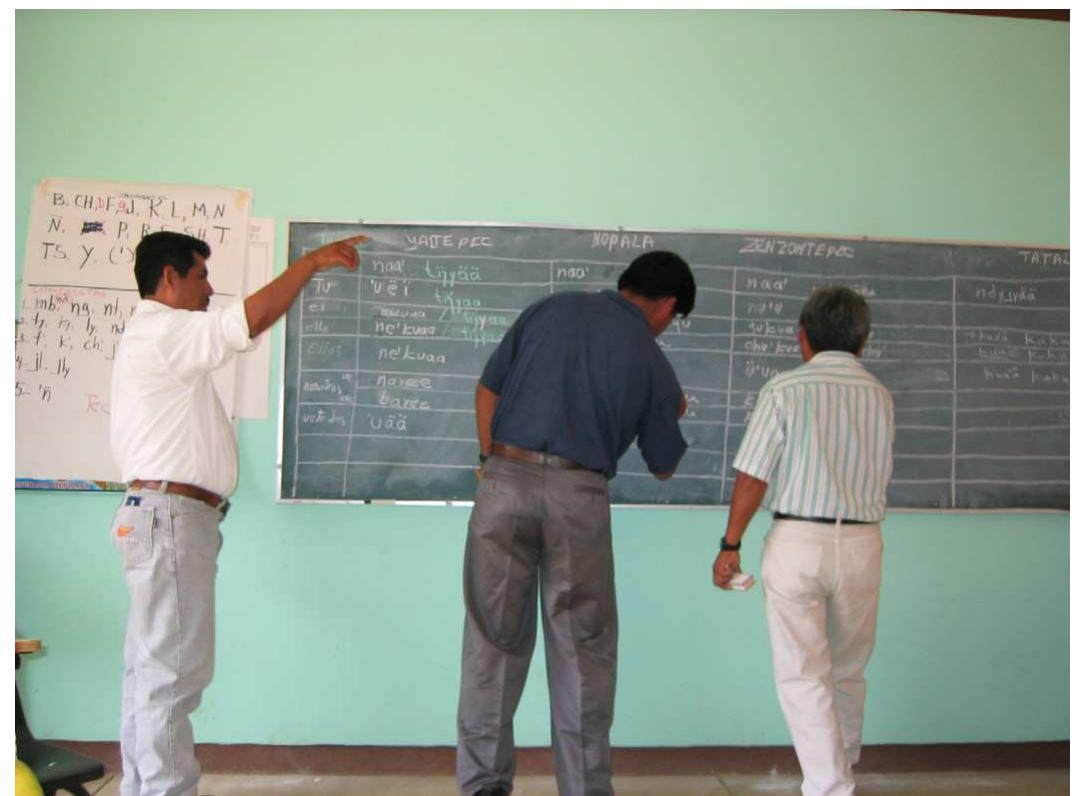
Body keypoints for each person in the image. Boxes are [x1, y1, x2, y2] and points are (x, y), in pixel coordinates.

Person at [108, 229, 365, 796]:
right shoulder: (163, 329)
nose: (210, 288)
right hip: (169, 517)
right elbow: (246, 320)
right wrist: (309, 264)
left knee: (151, 674)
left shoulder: (158, 337)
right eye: (200, 275)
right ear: (169, 278)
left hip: (161, 515)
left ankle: (144, 788)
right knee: (170, 675)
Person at [456, 250, 696, 796]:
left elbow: (486, 389)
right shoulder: (649, 356)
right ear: (666, 305)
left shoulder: (550, 307)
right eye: (672, 318)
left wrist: (490, 459)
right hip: (577, 495)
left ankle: (483, 787)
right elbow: (663, 465)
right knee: (582, 653)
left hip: (503, 477)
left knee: (493, 643)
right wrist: (671, 407)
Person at [713, 286, 895, 796]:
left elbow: (753, 475)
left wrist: (730, 544)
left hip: (798, 540)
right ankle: (842, 768)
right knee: (848, 668)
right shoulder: (880, 394)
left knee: (803, 673)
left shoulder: (785, 390)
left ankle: (831, 785)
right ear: (862, 341)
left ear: (802, 338)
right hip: (863, 543)